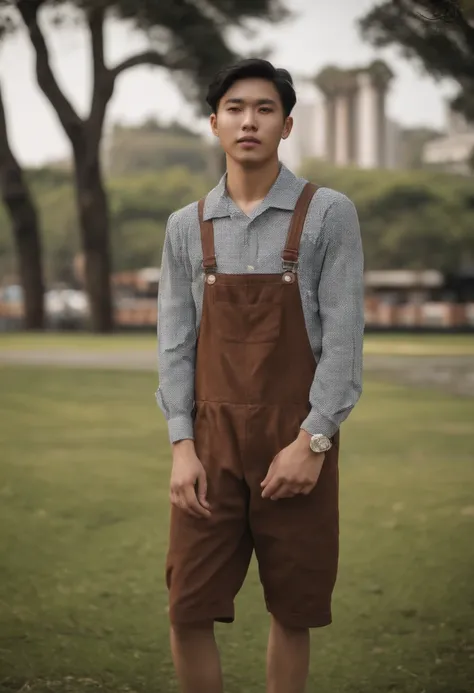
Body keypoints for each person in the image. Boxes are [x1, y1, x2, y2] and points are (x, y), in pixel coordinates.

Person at [156, 58, 364, 693]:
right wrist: (181, 446)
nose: (250, 120)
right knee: (188, 606)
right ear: (215, 123)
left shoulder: (328, 213)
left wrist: (313, 443)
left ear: (287, 124)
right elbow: (175, 346)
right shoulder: (186, 227)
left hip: (296, 437)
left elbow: (345, 343)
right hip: (207, 443)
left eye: (265, 109)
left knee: (292, 609)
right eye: (237, 108)